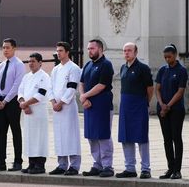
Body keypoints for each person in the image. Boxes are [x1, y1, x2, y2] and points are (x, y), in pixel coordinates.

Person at [116, 42, 153, 179]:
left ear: (136, 52)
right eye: (125, 51)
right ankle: (130, 168)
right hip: (125, 107)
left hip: (139, 106)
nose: (126, 53)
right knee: (126, 137)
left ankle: (145, 168)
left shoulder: (143, 68)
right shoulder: (123, 68)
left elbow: (150, 89)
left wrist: (145, 103)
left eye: (129, 50)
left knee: (141, 137)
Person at [0, 38, 25, 172]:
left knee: (15, 131)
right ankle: (0, 161)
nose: (5, 50)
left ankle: (17, 161)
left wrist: (6, 101)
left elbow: (17, 85)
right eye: (3, 47)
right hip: (0, 102)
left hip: (12, 102)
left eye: (8, 47)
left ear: (14, 48)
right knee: (1, 132)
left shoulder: (19, 64)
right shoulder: (2, 65)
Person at [79, 39, 115, 177]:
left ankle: (107, 166)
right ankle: (97, 164)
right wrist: (83, 97)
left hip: (102, 104)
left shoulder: (106, 65)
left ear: (100, 49)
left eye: (92, 48)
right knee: (92, 136)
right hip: (88, 105)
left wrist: (85, 96)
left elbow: (102, 85)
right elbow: (81, 82)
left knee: (103, 135)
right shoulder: (88, 65)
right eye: (88, 49)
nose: (90, 51)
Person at [48, 42, 82, 176]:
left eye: (61, 50)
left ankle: (74, 165)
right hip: (56, 108)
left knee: (71, 136)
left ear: (67, 52)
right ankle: (62, 164)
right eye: (57, 51)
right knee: (59, 136)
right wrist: (53, 102)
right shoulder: (55, 69)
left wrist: (61, 103)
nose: (58, 53)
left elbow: (72, 88)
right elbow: (50, 87)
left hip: (67, 107)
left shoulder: (73, 68)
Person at [156, 44, 188, 179]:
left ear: (175, 55)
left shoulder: (182, 70)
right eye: (165, 57)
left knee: (176, 138)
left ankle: (177, 170)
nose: (167, 59)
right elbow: (157, 88)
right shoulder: (162, 70)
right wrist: (161, 104)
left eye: (169, 57)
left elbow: (180, 92)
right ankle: (170, 168)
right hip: (163, 109)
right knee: (166, 139)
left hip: (175, 109)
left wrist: (168, 106)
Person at [18, 53, 50, 174]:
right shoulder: (26, 77)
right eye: (29, 61)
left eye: (33, 61)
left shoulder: (44, 77)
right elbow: (20, 91)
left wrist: (26, 104)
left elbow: (40, 94)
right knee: (29, 137)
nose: (30, 63)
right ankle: (31, 163)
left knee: (39, 138)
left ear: (40, 62)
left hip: (39, 111)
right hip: (27, 112)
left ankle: (40, 164)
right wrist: (23, 103)